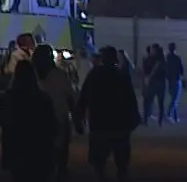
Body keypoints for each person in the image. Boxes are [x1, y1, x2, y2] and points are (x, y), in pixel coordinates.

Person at [75, 46, 141, 181]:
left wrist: (78, 119)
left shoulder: (94, 74)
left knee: (99, 160)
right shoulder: (121, 76)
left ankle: (102, 177)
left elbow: (83, 98)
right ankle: (121, 175)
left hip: (99, 124)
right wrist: (134, 120)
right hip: (120, 124)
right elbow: (130, 100)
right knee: (122, 159)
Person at [34, 47, 76, 180]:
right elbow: (71, 98)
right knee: (58, 152)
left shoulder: (29, 75)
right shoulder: (60, 75)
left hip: (42, 121)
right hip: (56, 118)